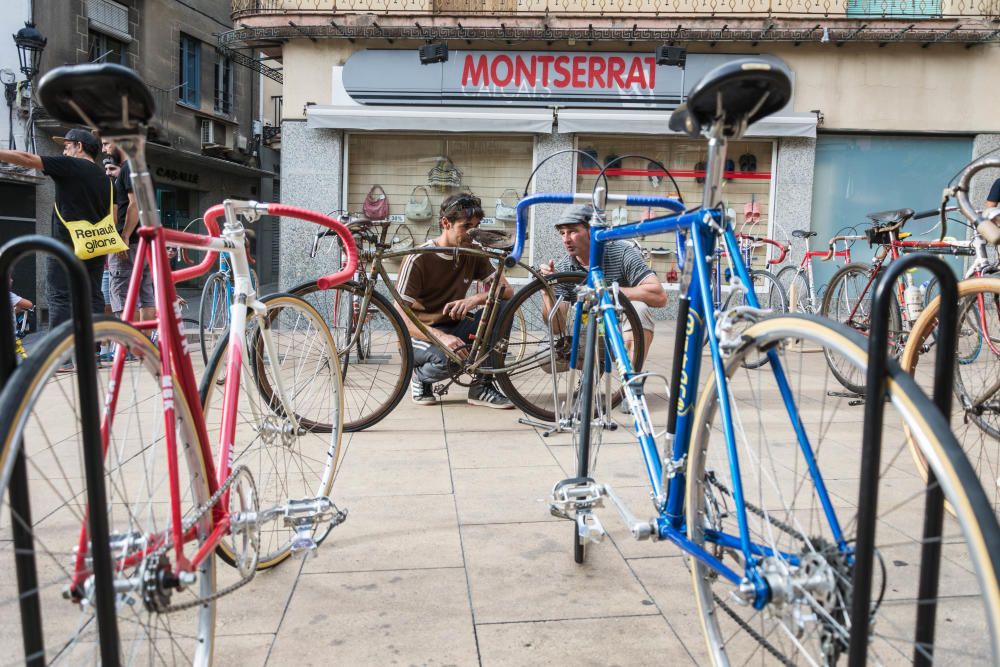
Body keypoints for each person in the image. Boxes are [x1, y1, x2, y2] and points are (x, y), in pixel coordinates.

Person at [396, 192, 515, 408]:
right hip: (419, 333)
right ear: (445, 223)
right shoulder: (418, 257)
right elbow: (399, 315)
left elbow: (507, 291)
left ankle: (482, 386)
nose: (472, 233)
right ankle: (420, 377)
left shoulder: (473, 251)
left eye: (476, 226)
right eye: (466, 226)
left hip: (454, 325)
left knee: (504, 308)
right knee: (450, 360)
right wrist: (440, 337)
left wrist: (475, 299)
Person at [0, 128, 111, 343]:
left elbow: (27, 158)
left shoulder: (72, 165)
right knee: (92, 295)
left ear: (79, 146)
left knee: (60, 296)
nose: (64, 152)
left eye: (67, 146)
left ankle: (62, 355)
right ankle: (93, 350)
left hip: (67, 245)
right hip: (95, 245)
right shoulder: (104, 177)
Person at [540, 204, 667, 354]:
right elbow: (556, 328)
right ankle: (587, 373)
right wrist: (547, 293)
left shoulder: (622, 252)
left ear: (592, 231)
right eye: (562, 233)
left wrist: (608, 292)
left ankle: (630, 375)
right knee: (545, 355)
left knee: (639, 310)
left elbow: (659, 296)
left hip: (618, 332)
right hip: (584, 333)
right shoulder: (562, 268)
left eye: (573, 231)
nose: (566, 239)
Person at [102, 138, 155, 322]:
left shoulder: (128, 168)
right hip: (145, 243)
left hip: (130, 242)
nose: (104, 149)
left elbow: (134, 205)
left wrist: (124, 236)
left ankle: (129, 348)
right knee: (146, 297)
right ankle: (143, 348)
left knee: (124, 298)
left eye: (107, 143)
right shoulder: (142, 168)